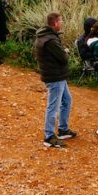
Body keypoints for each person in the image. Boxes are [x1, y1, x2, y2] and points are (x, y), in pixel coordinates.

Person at [35, 12, 75, 148]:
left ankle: (63, 129)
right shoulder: (51, 40)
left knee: (67, 100)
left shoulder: (45, 36)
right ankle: (49, 136)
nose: (62, 23)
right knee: (53, 106)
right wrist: (65, 52)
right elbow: (63, 58)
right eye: (61, 21)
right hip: (55, 77)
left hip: (57, 75)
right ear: (55, 23)